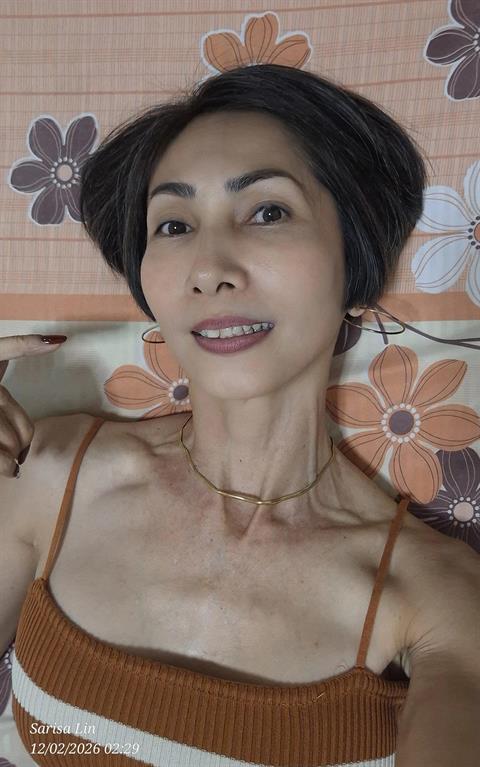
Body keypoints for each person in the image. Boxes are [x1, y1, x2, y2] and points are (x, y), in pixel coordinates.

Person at [2, 64, 478, 767]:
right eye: (173, 225)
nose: (208, 267)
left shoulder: (436, 596)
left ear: (357, 268)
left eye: (268, 212)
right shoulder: (50, 472)